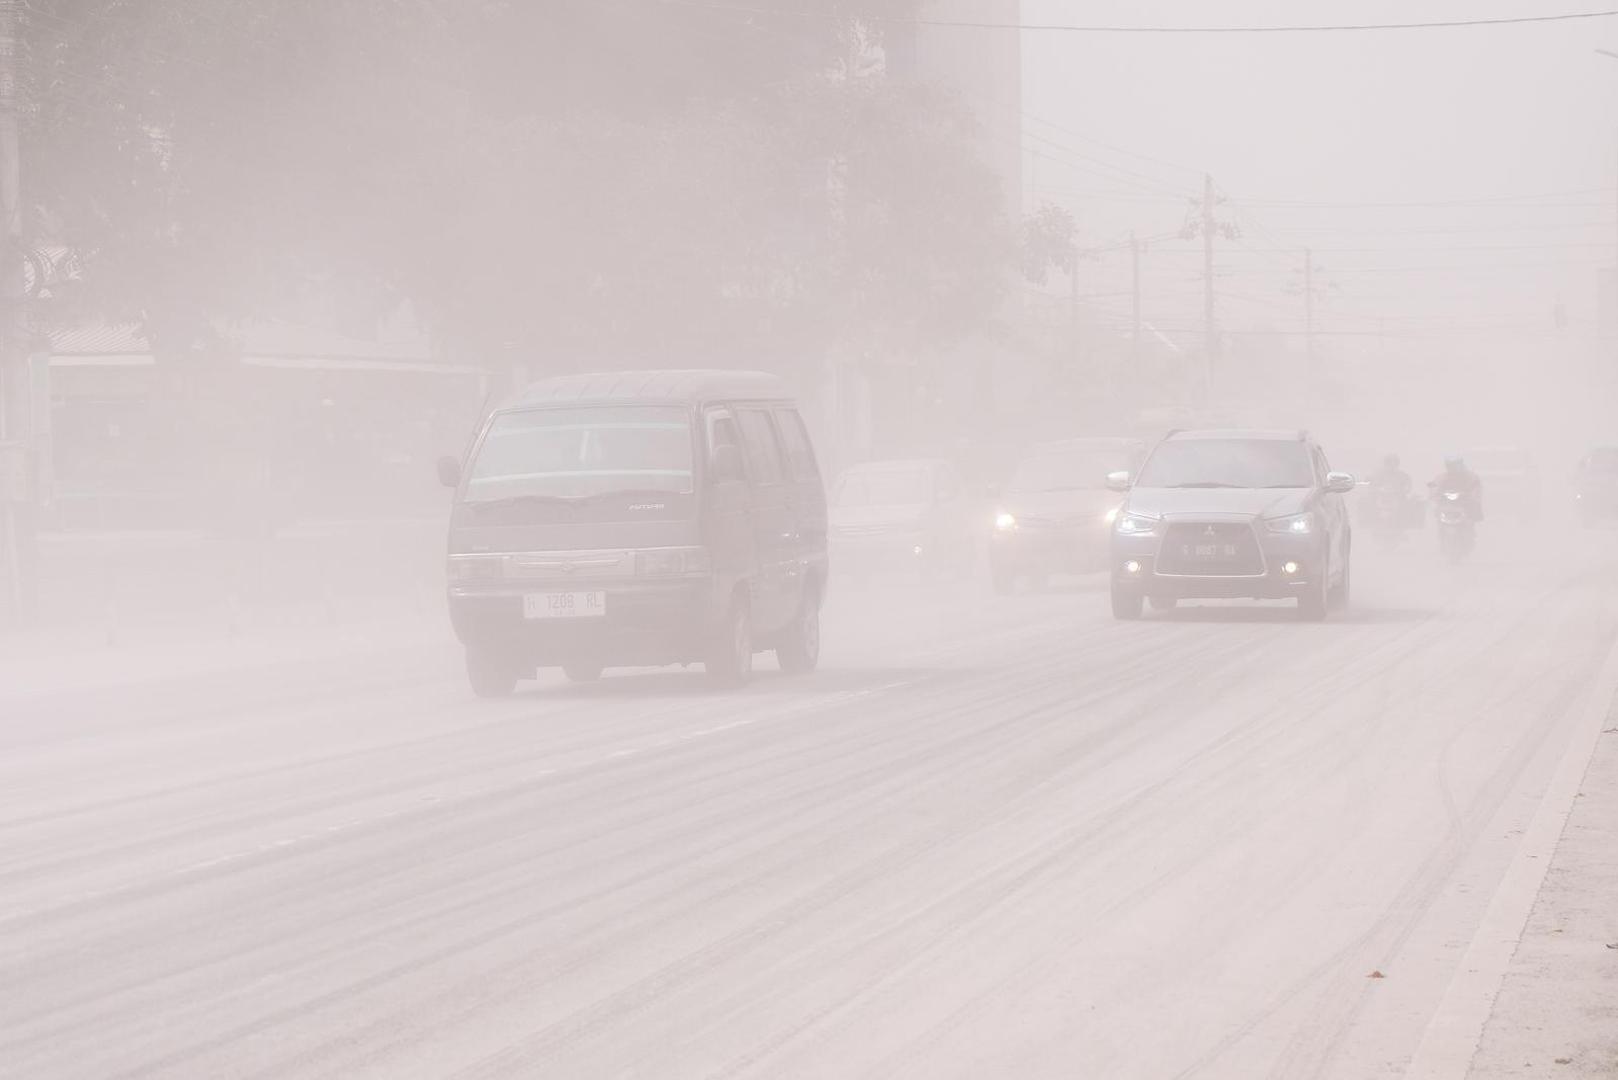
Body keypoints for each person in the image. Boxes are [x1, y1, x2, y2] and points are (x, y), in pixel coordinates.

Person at [1431, 455, 1484, 521]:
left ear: (1460, 464)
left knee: (1474, 506)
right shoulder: (1442, 477)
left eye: (1454, 465)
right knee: (1435, 508)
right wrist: (1434, 493)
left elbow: (1476, 487)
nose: (1452, 468)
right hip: (1447, 502)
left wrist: (1471, 495)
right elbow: (1435, 485)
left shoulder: (1470, 476)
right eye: (1450, 465)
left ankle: (1472, 521)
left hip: (1464, 501)